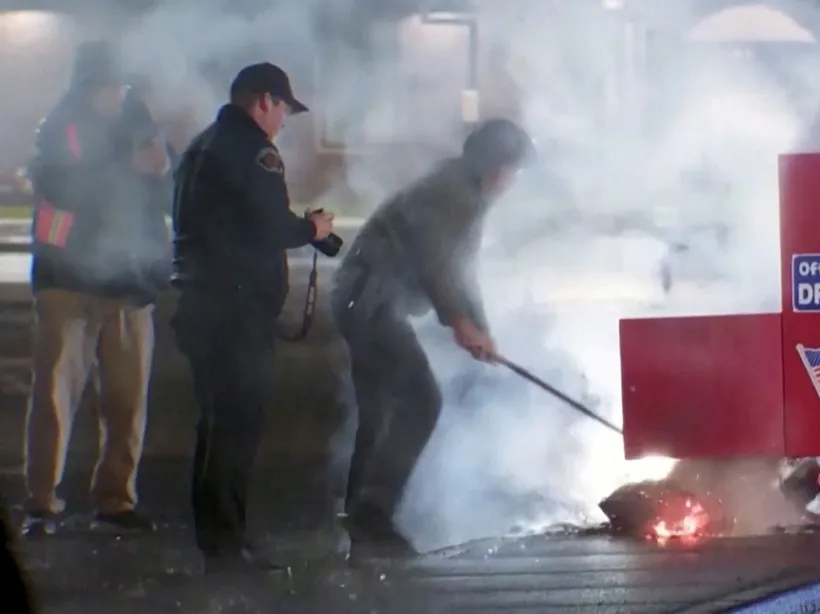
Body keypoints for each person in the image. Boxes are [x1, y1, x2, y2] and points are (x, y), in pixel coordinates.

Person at [330, 118, 533, 550]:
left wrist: (481, 329)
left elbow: (462, 274)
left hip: (362, 299)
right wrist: (460, 322)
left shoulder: (465, 193)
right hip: (371, 302)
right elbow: (434, 262)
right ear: (495, 165)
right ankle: (372, 513)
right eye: (513, 169)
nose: (514, 180)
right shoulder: (451, 194)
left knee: (379, 408)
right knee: (422, 400)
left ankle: (359, 513)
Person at [170, 62, 335, 572]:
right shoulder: (255, 151)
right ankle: (226, 544)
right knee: (238, 426)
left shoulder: (202, 145)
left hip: (202, 305)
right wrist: (312, 228)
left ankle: (216, 538)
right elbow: (267, 225)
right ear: (264, 101)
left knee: (216, 425)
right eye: (283, 108)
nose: (284, 119)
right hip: (235, 313)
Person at [22, 41, 169, 537]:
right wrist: (129, 168)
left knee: (128, 402)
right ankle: (42, 502)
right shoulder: (59, 127)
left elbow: (157, 183)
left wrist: (157, 169)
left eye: (121, 85)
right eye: (109, 85)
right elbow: (64, 186)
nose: (116, 93)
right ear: (87, 86)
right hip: (69, 283)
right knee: (55, 398)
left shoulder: (137, 118)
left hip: (128, 283)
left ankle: (116, 499)